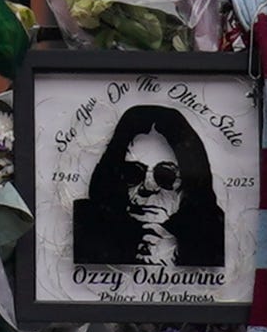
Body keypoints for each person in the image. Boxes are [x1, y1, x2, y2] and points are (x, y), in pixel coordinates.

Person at [67, 94, 230, 285]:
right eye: (132, 173)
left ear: (189, 183)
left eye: (165, 176)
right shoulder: (89, 235)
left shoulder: (211, 239)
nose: (148, 188)